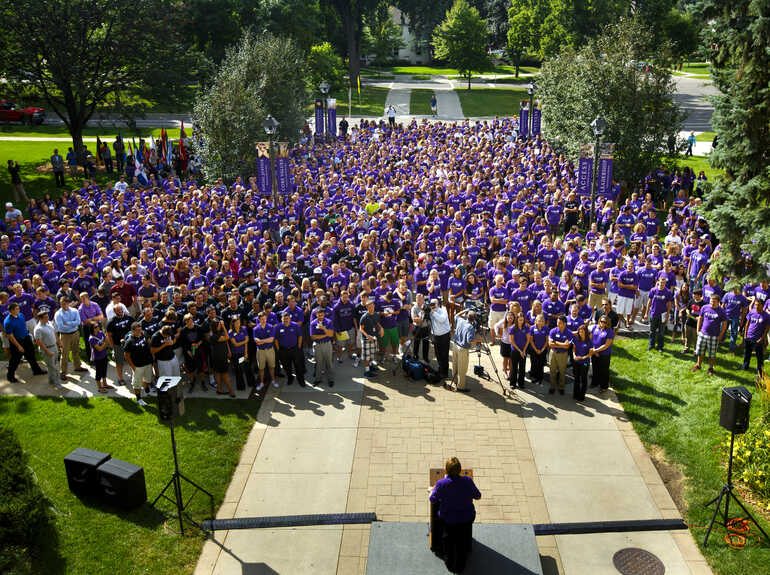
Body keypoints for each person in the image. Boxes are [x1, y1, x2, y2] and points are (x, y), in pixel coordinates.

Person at [429, 457, 481, 574]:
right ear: (460, 470)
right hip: (466, 518)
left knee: (449, 541)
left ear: (446, 470)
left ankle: (450, 563)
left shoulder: (441, 483)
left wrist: (433, 490)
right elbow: (478, 496)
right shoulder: (467, 481)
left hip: (448, 519)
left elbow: (433, 499)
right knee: (462, 541)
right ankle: (462, 564)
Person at [4, 302, 45, 381]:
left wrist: (29, 337)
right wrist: (19, 346)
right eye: (17, 309)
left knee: (31, 355)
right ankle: (10, 376)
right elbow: (10, 336)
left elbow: (24, 326)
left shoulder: (21, 315)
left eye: (18, 308)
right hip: (17, 341)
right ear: (12, 310)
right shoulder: (8, 322)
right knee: (15, 359)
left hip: (26, 338)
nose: (19, 309)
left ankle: (36, 371)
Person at [693, 293, 727, 375]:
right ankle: (698, 365)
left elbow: (725, 324)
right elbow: (700, 318)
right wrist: (698, 330)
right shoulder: (705, 307)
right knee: (700, 351)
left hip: (714, 335)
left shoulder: (721, 311)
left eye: (714, 302)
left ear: (718, 302)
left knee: (712, 354)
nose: (712, 303)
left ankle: (711, 368)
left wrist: (720, 335)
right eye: (711, 301)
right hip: (703, 333)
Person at [450, 308, 483, 392]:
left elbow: (456, 315)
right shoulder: (470, 327)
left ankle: (455, 381)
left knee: (455, 365)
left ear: (466, 316)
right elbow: (470, 340)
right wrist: (479, 340)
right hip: (462, 349)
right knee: (462, 368)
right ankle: (461, 387)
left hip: (455, 346)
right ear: (474, 318)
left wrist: (465, 310)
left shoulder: (461, 321)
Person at [123, 322, 154, 406]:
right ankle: (138, 399)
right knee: (137, 384)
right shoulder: (129, 341)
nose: (139, 331)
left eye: (140, 329)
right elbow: (126, 355)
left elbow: (149, 343)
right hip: (138, 366)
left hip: (147, 363)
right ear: (132, 330)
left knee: (147, 380)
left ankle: (147, 391)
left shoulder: (143, 335)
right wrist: (133, 367)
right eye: (137, 330)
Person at [54, 296, 84, 377]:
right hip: (65, 335)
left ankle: (77, 366)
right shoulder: (58, 314)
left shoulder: (74, 311)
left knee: (76, 351)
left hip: (75, 333)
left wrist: (68, 323)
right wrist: (72, 323)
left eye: (65, 304)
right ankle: (63, 372)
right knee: (64, 354)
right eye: (62, 304)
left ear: (68, 303)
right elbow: (61, 326)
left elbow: (78, 322)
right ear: (60, 304)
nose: (64, 306)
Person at [33, 309, 63, 389]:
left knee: (53, 365)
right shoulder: (38, 329)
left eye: (47, 316)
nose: (47, 318)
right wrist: (47, 351)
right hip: (47, 349)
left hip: (54, 347)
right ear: (40, 318)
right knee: (53, 367)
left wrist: (59, 342)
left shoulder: (49, 323)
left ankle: (51, 380)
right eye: (45, 317)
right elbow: (38, 342)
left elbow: (54, 333)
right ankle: (57, 382)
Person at [275, 311, 305, 386]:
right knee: (286, 366)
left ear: (290, 318)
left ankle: (300, 379)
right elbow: (275, 339)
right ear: (281, 319)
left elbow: (300, 336)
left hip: (294, 349)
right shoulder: (278, 327)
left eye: (287, 318)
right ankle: (290, 378)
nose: (286, 320)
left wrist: (298, 347)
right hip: (283, 350)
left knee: (298, 365)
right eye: (284, 318)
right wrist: (278, 349)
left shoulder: (295, 325)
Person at [106, 304, 133, 385]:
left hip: (129, 344)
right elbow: (109, 335)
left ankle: (134, 376)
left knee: (132, 360)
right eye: (118, 310)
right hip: (118, 345)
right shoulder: (111, 321)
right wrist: (112, 346)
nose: (120, 311)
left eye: (121, 309)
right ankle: (120, 378)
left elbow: (135, 328)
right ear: (114, 311)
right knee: (119, 362)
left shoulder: (129, 318)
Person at [743, 298, 770, 375]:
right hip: (749, 336)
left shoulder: (767, 316)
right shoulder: (751, 312)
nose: (757, 306)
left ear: (763, 305)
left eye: (758, 305)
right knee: (747, 353)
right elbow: (747, 324)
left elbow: (767, 329)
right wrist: (745, 335)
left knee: (759, 357)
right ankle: (745, 366)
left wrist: (762, 338)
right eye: (755, 305)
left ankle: (760, 372)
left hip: (758, 339)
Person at [310, 307, 335, 387]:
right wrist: (325, 334)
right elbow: (313, 337)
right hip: (317, 345)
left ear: (324, 314)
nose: (320, 316)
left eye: (321, 315)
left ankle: (330, 379)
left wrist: (324, 328)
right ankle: (318, 379)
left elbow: (331, 334)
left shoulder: (328, 322)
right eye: (318, 315)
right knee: (318, 363)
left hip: (327, 344)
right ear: (316, 314)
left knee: (329, 363)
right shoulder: (313, 323)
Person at [548, 315, 573, 395]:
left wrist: (556, 342)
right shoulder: (553, 331)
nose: (558, 324)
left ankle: (561, 387)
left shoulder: (569, 333)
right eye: (557, 322)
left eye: (560, 323)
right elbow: (550, 344)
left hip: (563, 354)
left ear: (565, 323)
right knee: (552, 370)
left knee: (562, 371)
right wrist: (562, 344)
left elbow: (567, 346)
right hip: (553, 353)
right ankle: (552, 386)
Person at [647, 277, 673, 351]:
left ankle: (660, 346)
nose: (662, 284)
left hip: (663, 315)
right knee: (652, 331)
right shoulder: (653, 290)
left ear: (665, 283)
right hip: (653, 313)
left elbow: (669, 304)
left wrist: (668, 315)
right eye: (661, 282)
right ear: (658, 282)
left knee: (661, 332)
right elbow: (649, 301)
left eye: (664, 283)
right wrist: (646, 312)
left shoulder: (668, 292)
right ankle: (651, 344)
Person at [359, 298, 383, 379]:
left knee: (372, 354)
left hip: (374, 337)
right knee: (367, 356)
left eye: (372, 306)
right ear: (367, 307)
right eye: (369, 306)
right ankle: (366, 372)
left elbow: (377, 323)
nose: (371, 307)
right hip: (366, 339)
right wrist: (367, 336)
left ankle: (370, 367)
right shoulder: (364, 317)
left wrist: (381, 328)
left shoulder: (376, 314)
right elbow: (361, 329)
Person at [590, 315, 614, 392]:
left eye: (605, 322)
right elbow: (590, 338)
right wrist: (593, 349)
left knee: (604, 371)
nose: (602, 323)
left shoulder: (609, 331)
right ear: (599, 321)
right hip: (594, 352)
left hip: (604, 355)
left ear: (608, 323)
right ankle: (595, 383)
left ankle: (604, 386)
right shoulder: (595, 328)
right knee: (595, 368)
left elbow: (606, 345)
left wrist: (596, 351)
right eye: (601, 321)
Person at [253, 312, 277, 389]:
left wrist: (261, 341)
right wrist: (263, 341)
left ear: (266, 318)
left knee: (272, 367)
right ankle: (261, 382)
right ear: (259, 319)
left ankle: (273, 380)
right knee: (261, 368)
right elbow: (256, 340)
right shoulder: (255, 329)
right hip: (260, 351)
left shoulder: (271, 327)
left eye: (264, 318)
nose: (263, 320)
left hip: (270, 350)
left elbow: (271, 339)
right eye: (261, 319)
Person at [430, 298, 451, 379]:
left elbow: (442, 320)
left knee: (444, 354)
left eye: (434, 303)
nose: (432, 305)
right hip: (436, 335)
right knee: (438, 354)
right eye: (431, 303)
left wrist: (433, 312)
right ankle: (440, 369)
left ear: (438, 304)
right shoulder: (431, 311)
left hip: (444, 335)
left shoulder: (443, 310)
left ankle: (445, 373)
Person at [89, 323, 112, 393]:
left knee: (104, 370)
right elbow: (99, 349)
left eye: (98, 326)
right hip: (98, 358)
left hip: (104, 355)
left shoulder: (100, 333)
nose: (98, 327)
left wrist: (106, 342)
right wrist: (106, 343)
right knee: (98, 373)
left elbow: (106, 341)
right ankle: (99, 388)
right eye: (96, 327)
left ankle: (105, 384)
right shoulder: (91, 338)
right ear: (92, 329)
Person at [572, 324, 592, 401]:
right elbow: (573, 349)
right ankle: (575, 394)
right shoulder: (576, 339)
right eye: (579, 332)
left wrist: (583, 357)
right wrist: (574, 355)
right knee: (576, 378)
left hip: (585, 362)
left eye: (582, 332)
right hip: (577, 361)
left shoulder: (589, 341)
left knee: (583, 378)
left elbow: (590, 353)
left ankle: (582, 395)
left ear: (586, 332)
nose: (581, 333)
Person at [528, 313, 549, 385]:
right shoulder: (532, 328)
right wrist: (536, 349)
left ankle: (540, 378)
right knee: (534, 364)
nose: (540, 322)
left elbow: (547, 340)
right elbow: (531, 340)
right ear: (536, 321)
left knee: (541, 364)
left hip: (543, 350)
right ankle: (534, 377)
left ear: (544, 322)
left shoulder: (546, 328)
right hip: (533, 350)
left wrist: (542, 349)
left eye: (542, 321)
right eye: (539, 321)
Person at [509, 313, 529, 389]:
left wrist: (523, 350)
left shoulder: (526, 327)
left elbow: (528, 340)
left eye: (522, 319)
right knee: (514, 368)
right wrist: (520, 351)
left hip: (523, 351)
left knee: (522, 367)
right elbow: (512, 341)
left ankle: (521, 383)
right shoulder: (512, 328)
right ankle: (513, 383)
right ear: (516, 319)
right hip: (515, 351)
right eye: (519, 319)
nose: (521, 320)